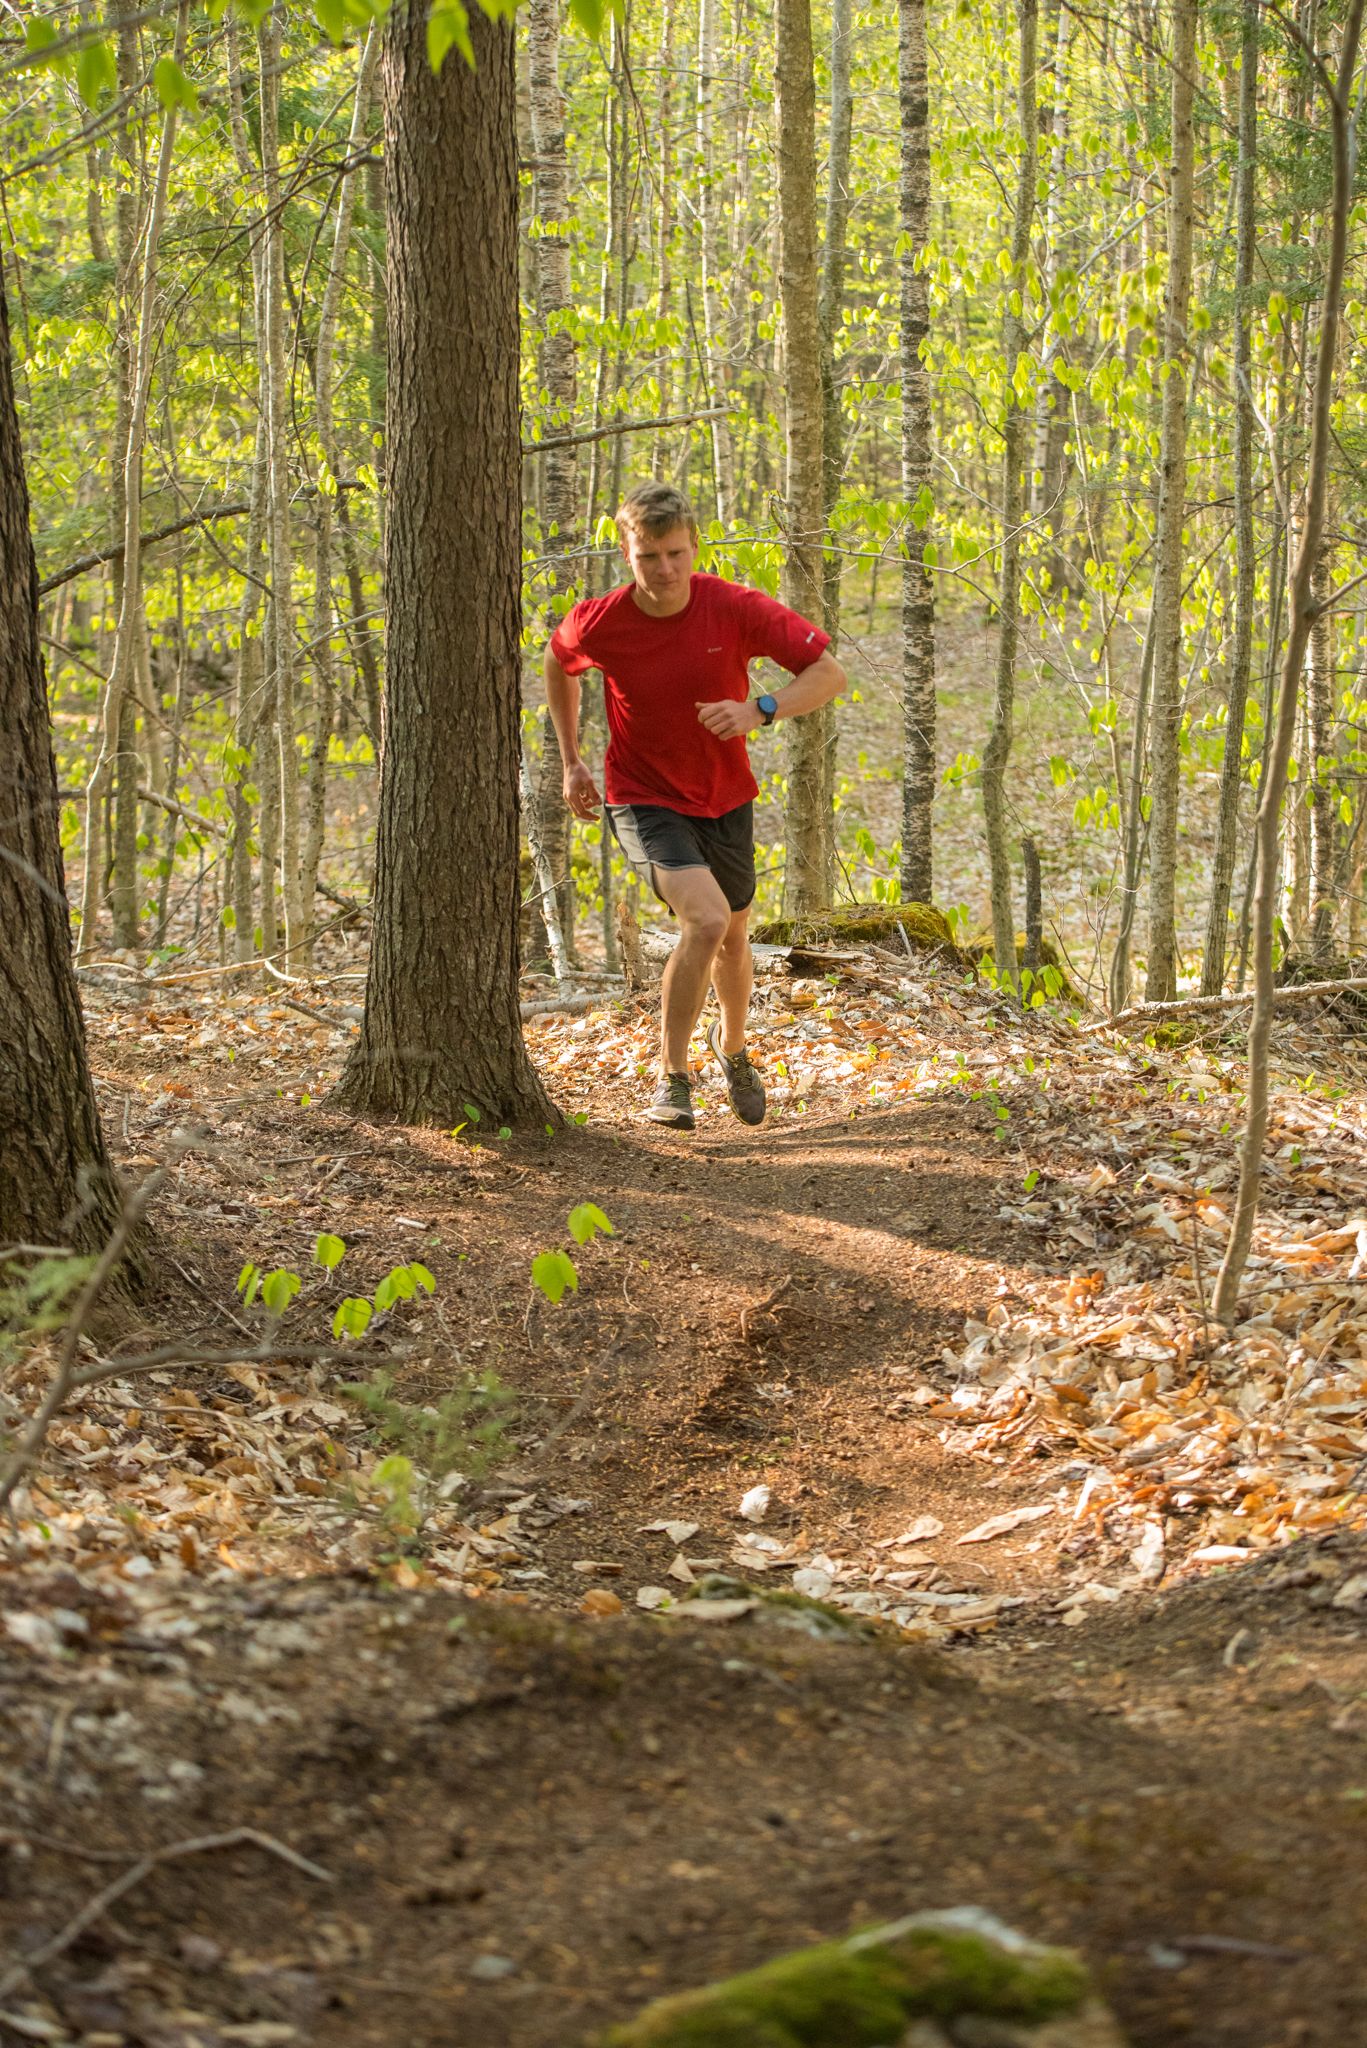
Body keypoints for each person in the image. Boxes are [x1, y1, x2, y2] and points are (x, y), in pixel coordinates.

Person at [542, 480, 846, 1131]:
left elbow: (828, 674)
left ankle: (732, 1048)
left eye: (675, 553)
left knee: (734, 940)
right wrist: (570, 761)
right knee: (705, 921)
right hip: (641, 796)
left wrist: (758, 708)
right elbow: (556, 662)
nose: (664, 570)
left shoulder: (733, 607)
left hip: (724, 795)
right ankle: (671, 1079)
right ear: (626, 553)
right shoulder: (600, 621)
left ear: (694, 547)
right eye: (648, 557)